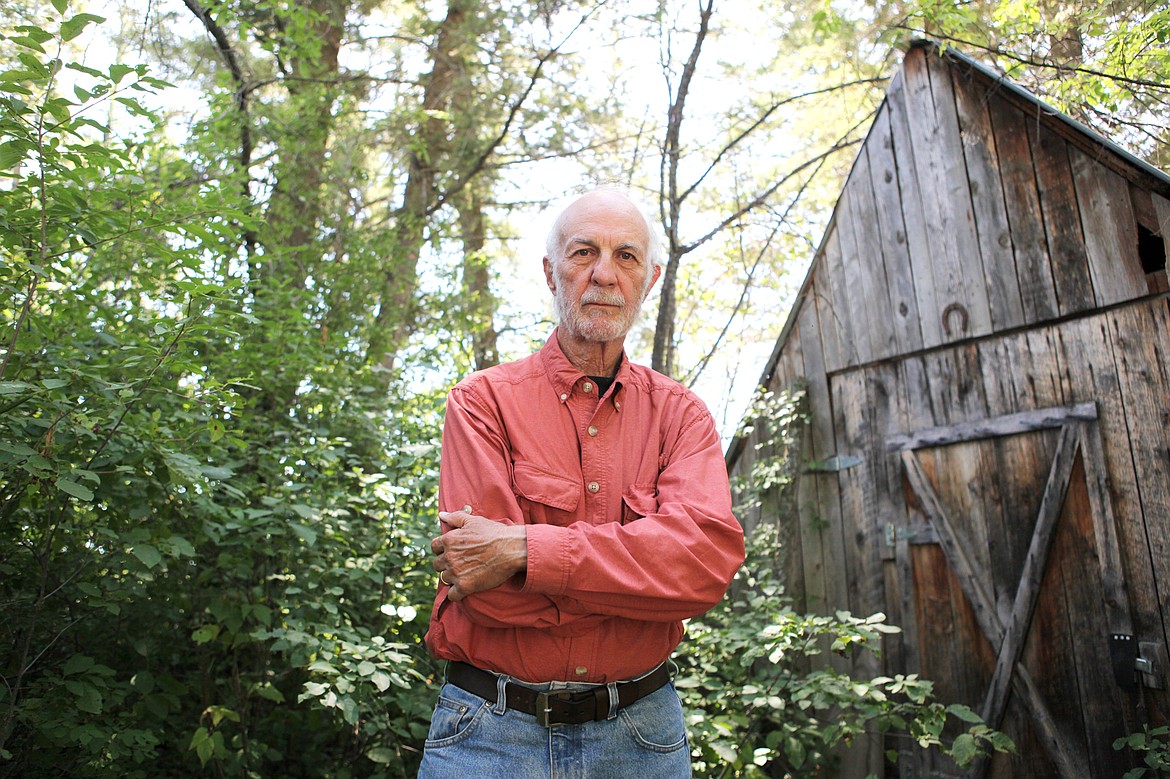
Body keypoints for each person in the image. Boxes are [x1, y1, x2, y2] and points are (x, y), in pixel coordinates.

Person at [419, 188, 745, 777]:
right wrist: (641, 586)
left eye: (626, 256)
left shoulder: (682, 416)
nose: (604, 274)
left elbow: (701, 570)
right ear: (550, 272)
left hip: (640, 737)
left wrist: (523, 550)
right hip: (491, 735)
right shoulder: (481, 403)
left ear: (649, 279)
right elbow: (484, 590)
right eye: (582, 252)